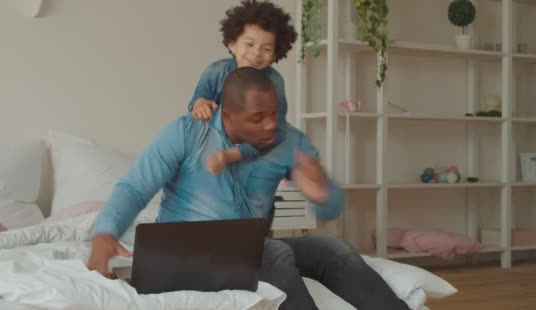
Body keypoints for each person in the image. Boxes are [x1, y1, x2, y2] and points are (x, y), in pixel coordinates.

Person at [88, 67, 411, 309]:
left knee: (332, 247)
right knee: (274, 251)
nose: (270, 124)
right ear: (228, 115)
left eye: (273, 114)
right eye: (258, 118)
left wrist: (323, 193)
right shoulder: (186, 133)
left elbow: (331, 206)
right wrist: (105, 233)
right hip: (186, 252)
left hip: (247, 249)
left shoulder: (285, 141)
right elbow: (134, 187)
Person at [188, 0, 296, 174]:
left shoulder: (274, 82)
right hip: (215, 147)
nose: (257, 53)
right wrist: (200, 104)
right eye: (249, 44)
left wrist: (232, 154)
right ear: (232, 44)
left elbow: (278, 131)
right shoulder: (216, 72)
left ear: (276, 53)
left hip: (255, 151)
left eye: (267, 49)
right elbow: (194, 104)